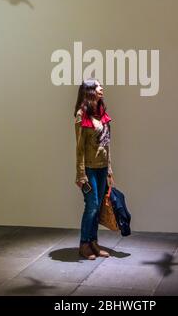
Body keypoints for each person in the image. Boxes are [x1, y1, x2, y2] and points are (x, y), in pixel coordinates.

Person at [74, 78, 115, 260]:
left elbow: (107, 145)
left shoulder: (102, 113)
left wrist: (110, 170)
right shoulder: (81, 115)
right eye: (98, 86)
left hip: (102, 167)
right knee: (91, 206)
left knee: (97, 206)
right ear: (90, 91)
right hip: (89, 168)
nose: (101, 88)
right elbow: (79, 148)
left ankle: (93, 242)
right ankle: (84, 243)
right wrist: (81, 174)